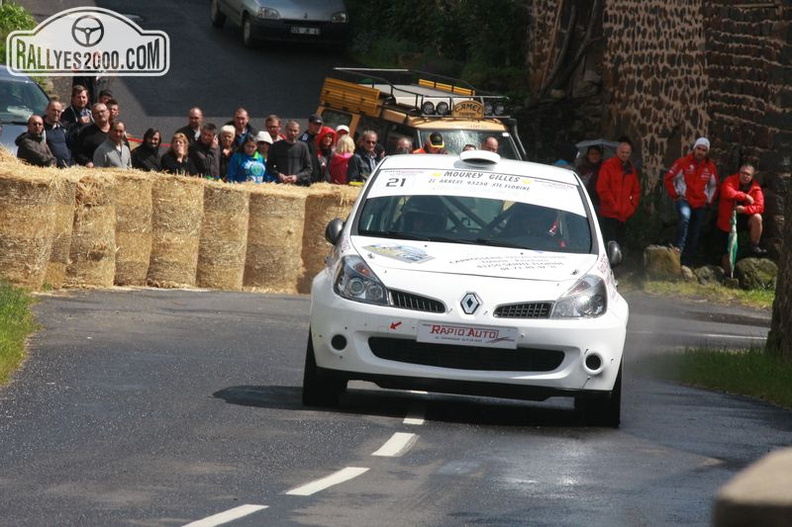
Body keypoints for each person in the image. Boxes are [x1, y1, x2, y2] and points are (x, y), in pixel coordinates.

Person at [664, 137, 719, 267]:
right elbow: (669, 178)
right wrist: (675, 194)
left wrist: (709, 201)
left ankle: (688, 261)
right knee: (684, 216)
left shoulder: (710, 167)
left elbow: (714, 185)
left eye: (704, 150)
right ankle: (678, 248)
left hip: (700, 203)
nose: (700, 152)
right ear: (694, 149)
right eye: (699, 149)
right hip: (684, 199)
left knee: (695, 231)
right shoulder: (683, 162)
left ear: (707, 152)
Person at [716, 164, 766, 272]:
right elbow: (727, 192)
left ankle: (754, 245)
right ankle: (727, 275)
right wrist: (745, 196)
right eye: (742, 173)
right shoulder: (730, 180)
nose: (744, 176)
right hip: (728, 220)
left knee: (757, 218)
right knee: (726, 252)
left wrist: (745, 210)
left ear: (752, 176)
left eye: (747, 174)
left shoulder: (756, 188)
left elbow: (760, 207)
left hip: (745, 219)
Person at [595, 138, 640, 247]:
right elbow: (602, 188)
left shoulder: (631, 169)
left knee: (620, 244)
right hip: (609, 212)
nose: (624, 155)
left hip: (624, 214)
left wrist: (631, 207)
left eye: (627, 153)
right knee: (610, 244)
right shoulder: (608, 166)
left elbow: (636, 191)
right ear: (617, 152)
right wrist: (613, 205)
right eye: (622, 152)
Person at [266, 120, 314, 185]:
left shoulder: (303, 147)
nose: (292, 133)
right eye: (290, 130)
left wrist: (297, 177)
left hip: (299, 186)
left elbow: (309, 168)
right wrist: (279, 175)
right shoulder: (276, 146)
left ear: (299, 131)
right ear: (285, 130)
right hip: (280, 185)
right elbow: (269, 166)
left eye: (295, 131)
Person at [42, 100, 73, 167]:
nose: (56, 113)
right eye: (53, 110)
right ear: (47, 111)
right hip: (50, 170)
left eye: (59, 111)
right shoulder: (40, 128)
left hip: (66, 169)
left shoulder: (63, 128)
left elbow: (70, 147)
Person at [299, 113, 324, 181]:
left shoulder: (316, 139)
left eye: (320, 124)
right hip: (307, 179)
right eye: (315, 124)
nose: (318, 127)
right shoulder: (304, 140)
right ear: (309, 124)